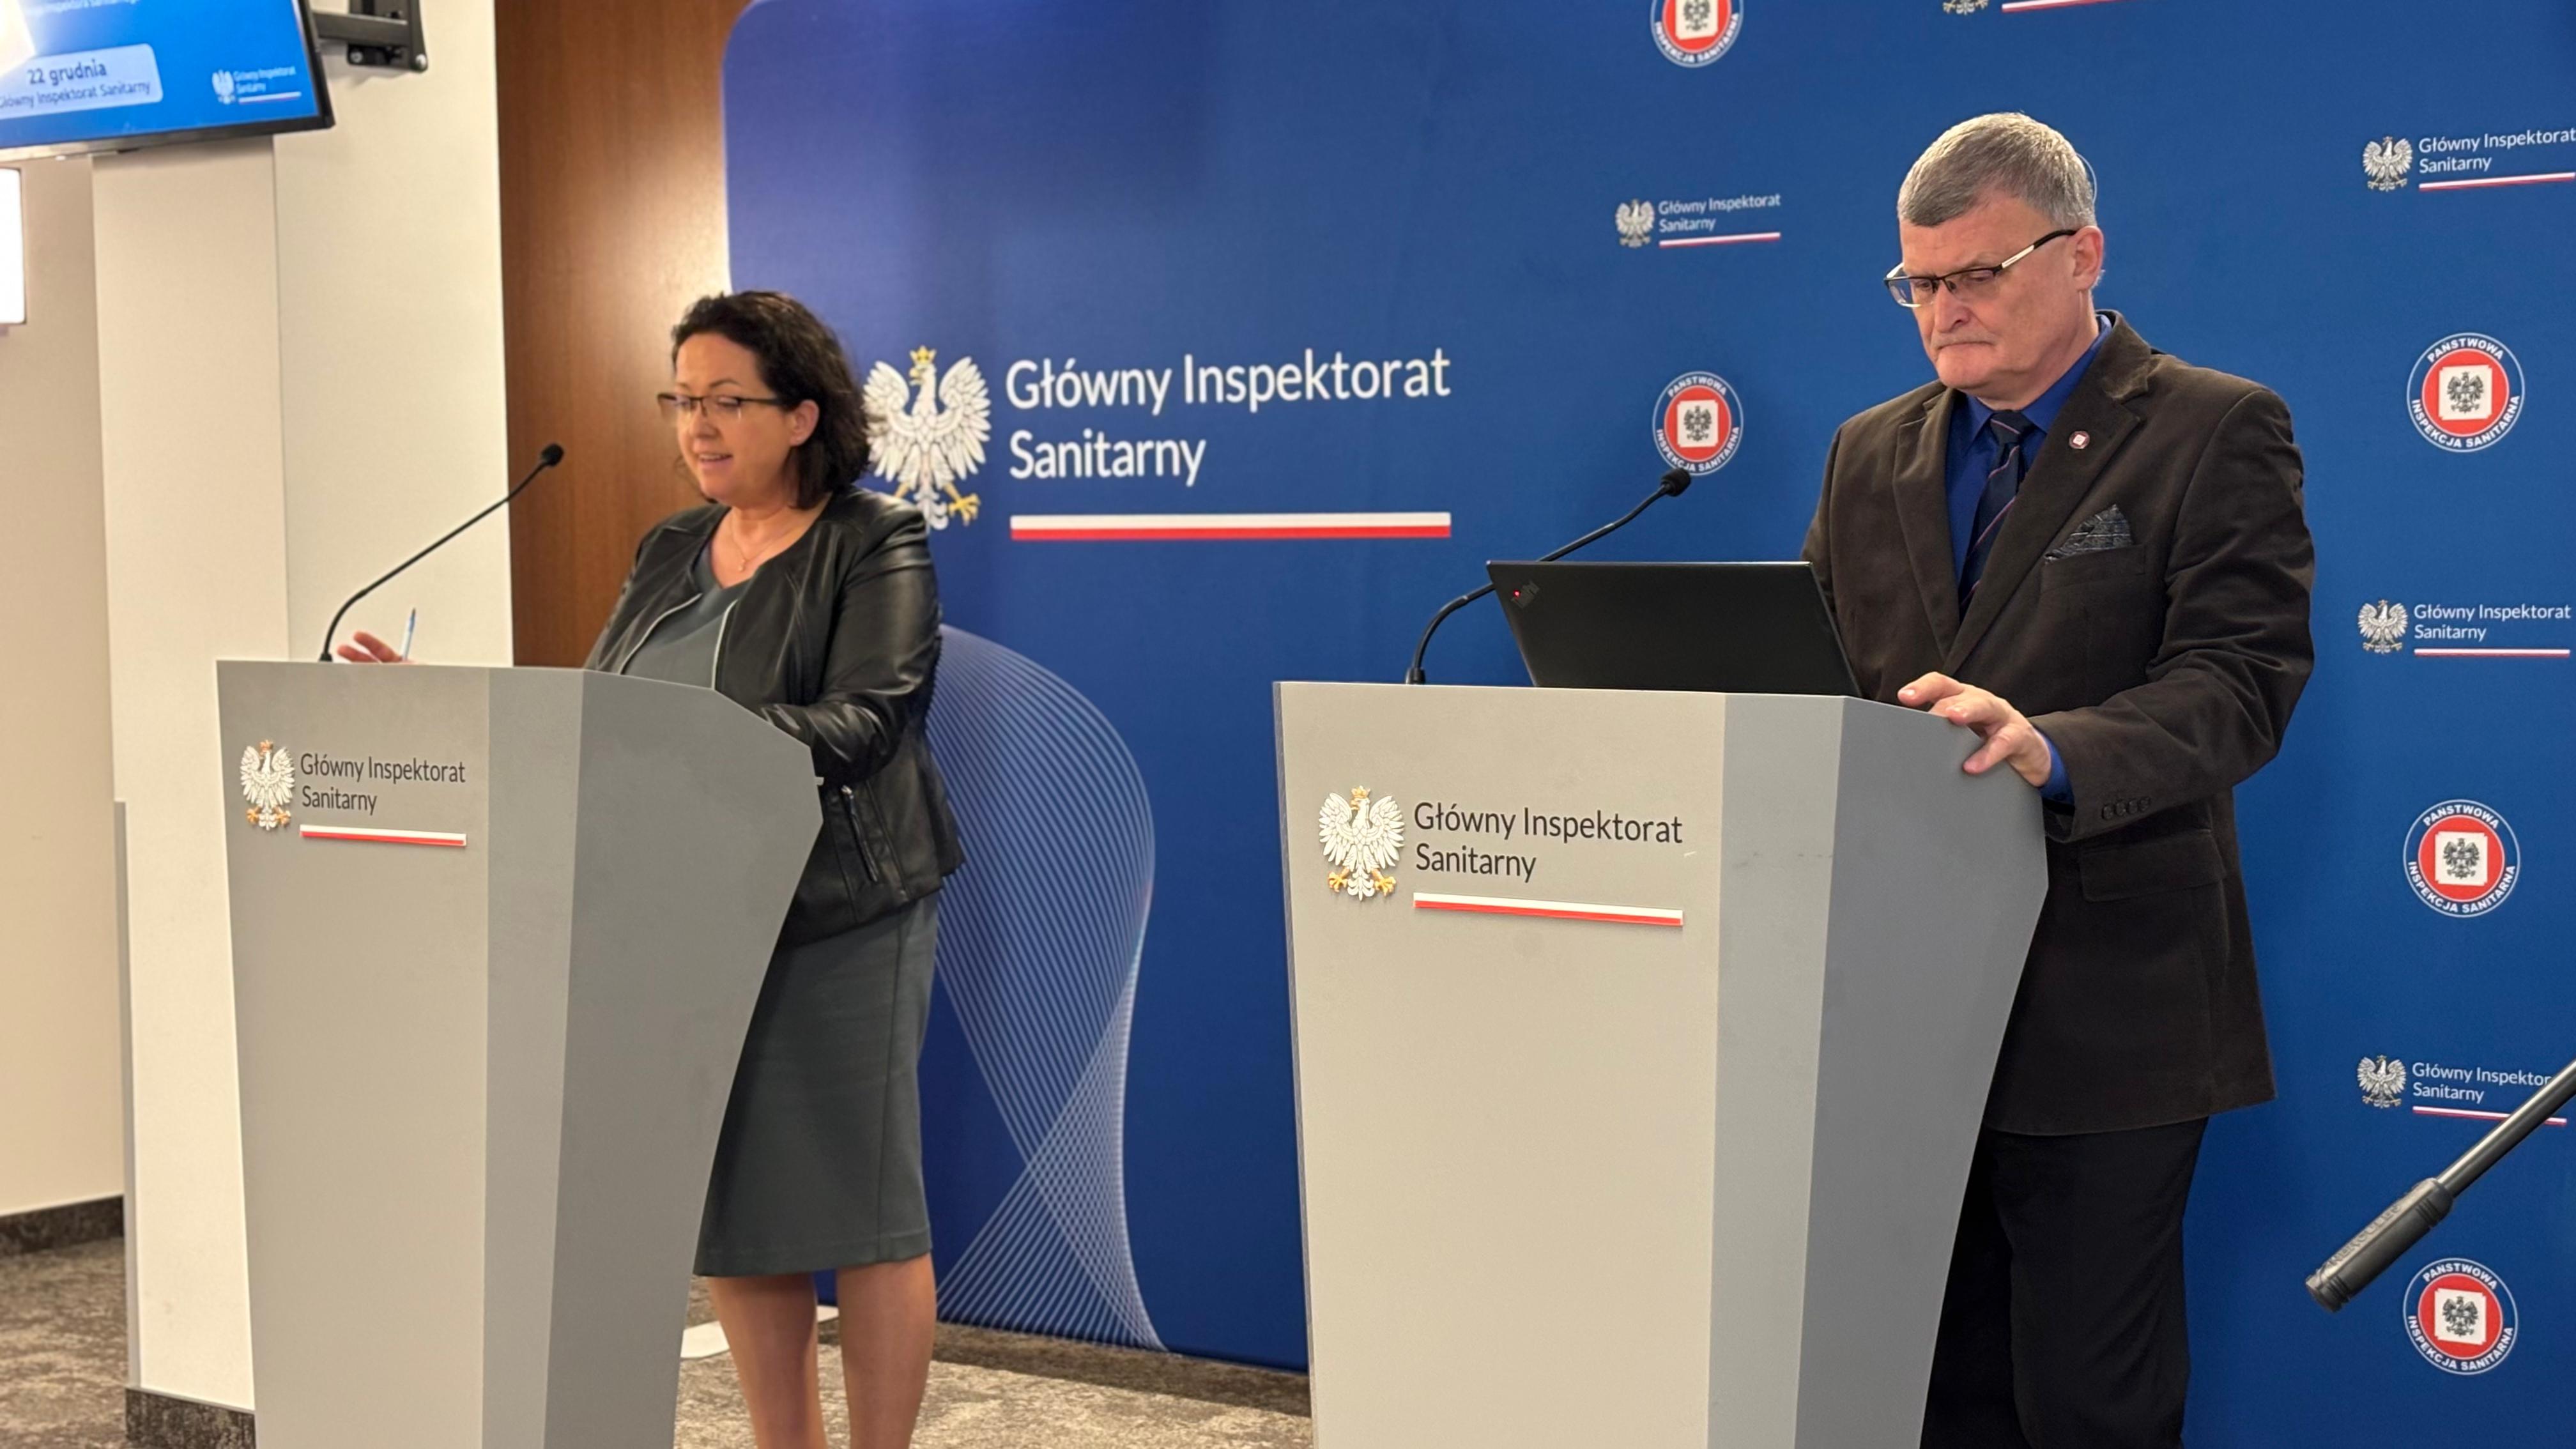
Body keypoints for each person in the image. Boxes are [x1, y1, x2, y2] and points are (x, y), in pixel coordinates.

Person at [340, 289, 966, 1449]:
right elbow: (600, 713)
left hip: (837, 910)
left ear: (802, 415)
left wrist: (691, 744)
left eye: (727, 401)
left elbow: (868, 719)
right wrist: (447, 706)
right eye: (682, 401)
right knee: (734, 1205)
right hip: (688, 916)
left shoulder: (872, 539)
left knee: (866, 1204)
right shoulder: (673, 547)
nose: (698, 427)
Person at [1800, 114, 2313, 1448]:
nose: (1944, 311)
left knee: (2090, 1405)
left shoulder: (2212, 428)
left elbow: (2241, 682)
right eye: (1920, 283)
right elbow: (1818, 681)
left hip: (2108, 1013)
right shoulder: (1868, 451)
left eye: (1978, 274)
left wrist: (2055, 747)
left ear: (2082, 254)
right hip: (1898, 1017)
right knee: (1930, 1396)